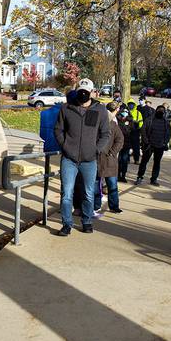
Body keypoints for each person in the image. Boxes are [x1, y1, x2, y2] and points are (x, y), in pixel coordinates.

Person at [54, 78, 110, 236]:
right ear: (76, 91)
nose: (83, 94)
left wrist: (96, 150)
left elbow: (105, 134)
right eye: (80, 91)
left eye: (87, 92)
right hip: (69, 159)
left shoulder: (100, 110)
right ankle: (66, 224)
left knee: (88, 192)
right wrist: (65, 146)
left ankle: (87, 221)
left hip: (89, 160)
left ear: (92, 92)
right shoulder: (66, 108)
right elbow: (58, 130)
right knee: (66, 193)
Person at [135, 105, 171, 186]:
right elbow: (143, 130)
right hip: (149, 145)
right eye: (159, 110)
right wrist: (146, 141)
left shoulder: (166, 122)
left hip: (160, 146)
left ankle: (154, 179)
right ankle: (140, 177)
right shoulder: (150, 120)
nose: (161, 111)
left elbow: (168, 133)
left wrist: (165, 142)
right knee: (144, 162)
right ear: (156, 110)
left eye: (162, 110)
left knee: (157, 163)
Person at [98, 102, 124, 214]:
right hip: (98, 158)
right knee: (96, 184)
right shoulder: (96, 126)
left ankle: (114, 205)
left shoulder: (113, 126)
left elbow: (120, 140)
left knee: (112, 184)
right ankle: (95, 205)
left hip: (109, 160)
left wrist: (112, 152)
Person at [117, 108, 133, 183]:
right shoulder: (118, 120)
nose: (125, 113)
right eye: (124, 112)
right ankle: (117, 175)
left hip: (127, 144)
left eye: (127, 112)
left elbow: (131, 132)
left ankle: (123, 175)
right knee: (118, 160)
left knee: (124, 160)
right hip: (118, 144)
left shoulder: (130, 121)